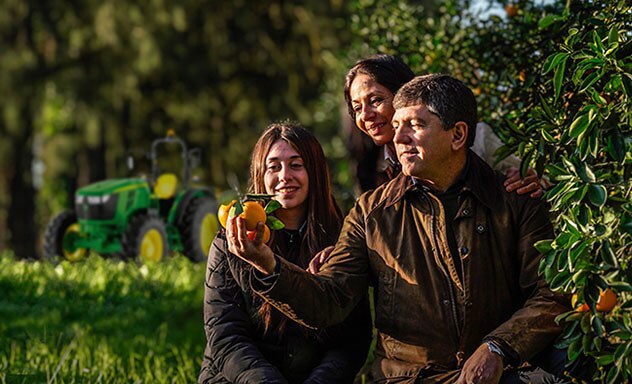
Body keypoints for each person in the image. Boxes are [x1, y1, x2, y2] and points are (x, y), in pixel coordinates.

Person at [228, 75, 574, 383]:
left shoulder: (515, 200)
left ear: (458, 135)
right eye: (396, 125)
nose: (399, 137)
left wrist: (498, 347)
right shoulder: (370, 212)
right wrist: (268, 265)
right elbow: (328, 301)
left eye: (415, 125)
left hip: (498, 372)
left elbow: (550, 295)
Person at [199, 122, 371, 384]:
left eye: (296, 165)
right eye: (273, 166)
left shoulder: (342, 241)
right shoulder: (231, 242)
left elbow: (352, 341)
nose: (284, 176)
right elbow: (225, 336)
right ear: (260, 174)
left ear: (314, 171)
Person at [343, 54, 543, 197]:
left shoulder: (478, 139)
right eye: (357, 108)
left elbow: (534, 183)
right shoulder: (370, 166)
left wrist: (531, 181)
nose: (366, 115)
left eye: (376, 100)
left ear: (404, 93)